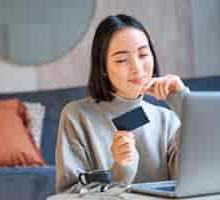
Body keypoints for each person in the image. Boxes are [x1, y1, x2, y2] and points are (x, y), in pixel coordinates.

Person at [55, 14, 190, 193]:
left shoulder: (168, 119)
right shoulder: (76, 116)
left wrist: (186, 107)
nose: (137, 68)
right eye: (121, 60)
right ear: (103, 67)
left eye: (143, 54)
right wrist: (119, 175)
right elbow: (67, 194)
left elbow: (195, 182)